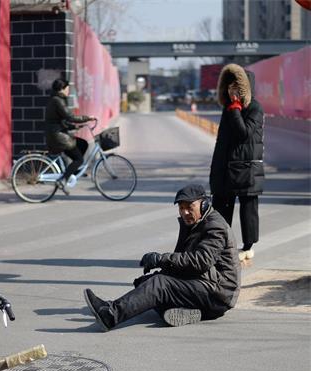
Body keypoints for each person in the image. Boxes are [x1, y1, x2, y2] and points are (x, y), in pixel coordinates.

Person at [83, 184, 241, 331]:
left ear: (204, 204)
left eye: (189, 207)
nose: (185, 212)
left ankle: (110, 315)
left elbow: (201, 261)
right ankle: (193, 312)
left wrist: (161, 259)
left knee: (158, 285)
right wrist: (161, 267)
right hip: (205, 283)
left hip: (218, 294)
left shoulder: (215, 226)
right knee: (144, 283)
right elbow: (184, 260)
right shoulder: (194, 223)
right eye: (181, 208)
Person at [209, 63, 264, 262]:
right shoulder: (228, 108)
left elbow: (243, 134)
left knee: (248, 210)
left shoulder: (255, 108)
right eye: (229, 86)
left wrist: (235, 108)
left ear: (245, 88)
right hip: (225, 169)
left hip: (246, 169)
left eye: (236, 87)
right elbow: (222, 141)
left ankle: (248, 247)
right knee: (221, 209)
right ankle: (220, 247)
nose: (232, 90)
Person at [44, 78, 94, 194]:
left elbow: (60, 120)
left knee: (83, 144)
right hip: (58, 136)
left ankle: (72, 172)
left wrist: (74, 127)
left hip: (58, 133)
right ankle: (63, 180)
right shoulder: (58, 101)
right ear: (62, 88)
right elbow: (69, 116)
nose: (68, 91)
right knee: (79, 159)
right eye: (67, 89)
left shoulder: (56, 99)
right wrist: (87, 118)